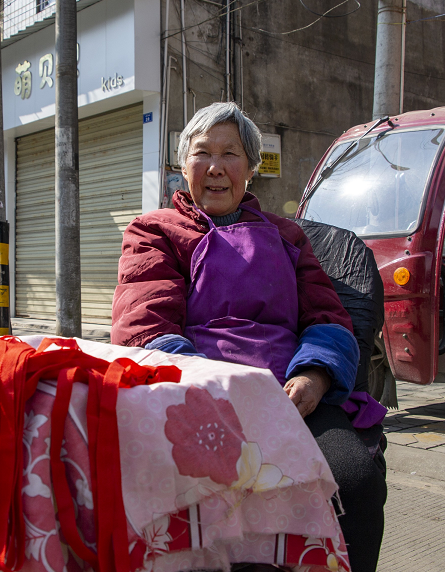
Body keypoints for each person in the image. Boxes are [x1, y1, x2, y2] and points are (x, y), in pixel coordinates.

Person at [112, 102, 387, 572]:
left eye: (230, 153)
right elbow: (146, 324)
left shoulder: (288, 236)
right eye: (202, 154)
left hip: (289, 399)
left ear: (251, 169)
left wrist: (316, 377)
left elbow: (328, 316)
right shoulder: (154, 231)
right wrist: (213, 387)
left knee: (354, 481)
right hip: (191, 397)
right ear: (184, 166)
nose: (216, 168)